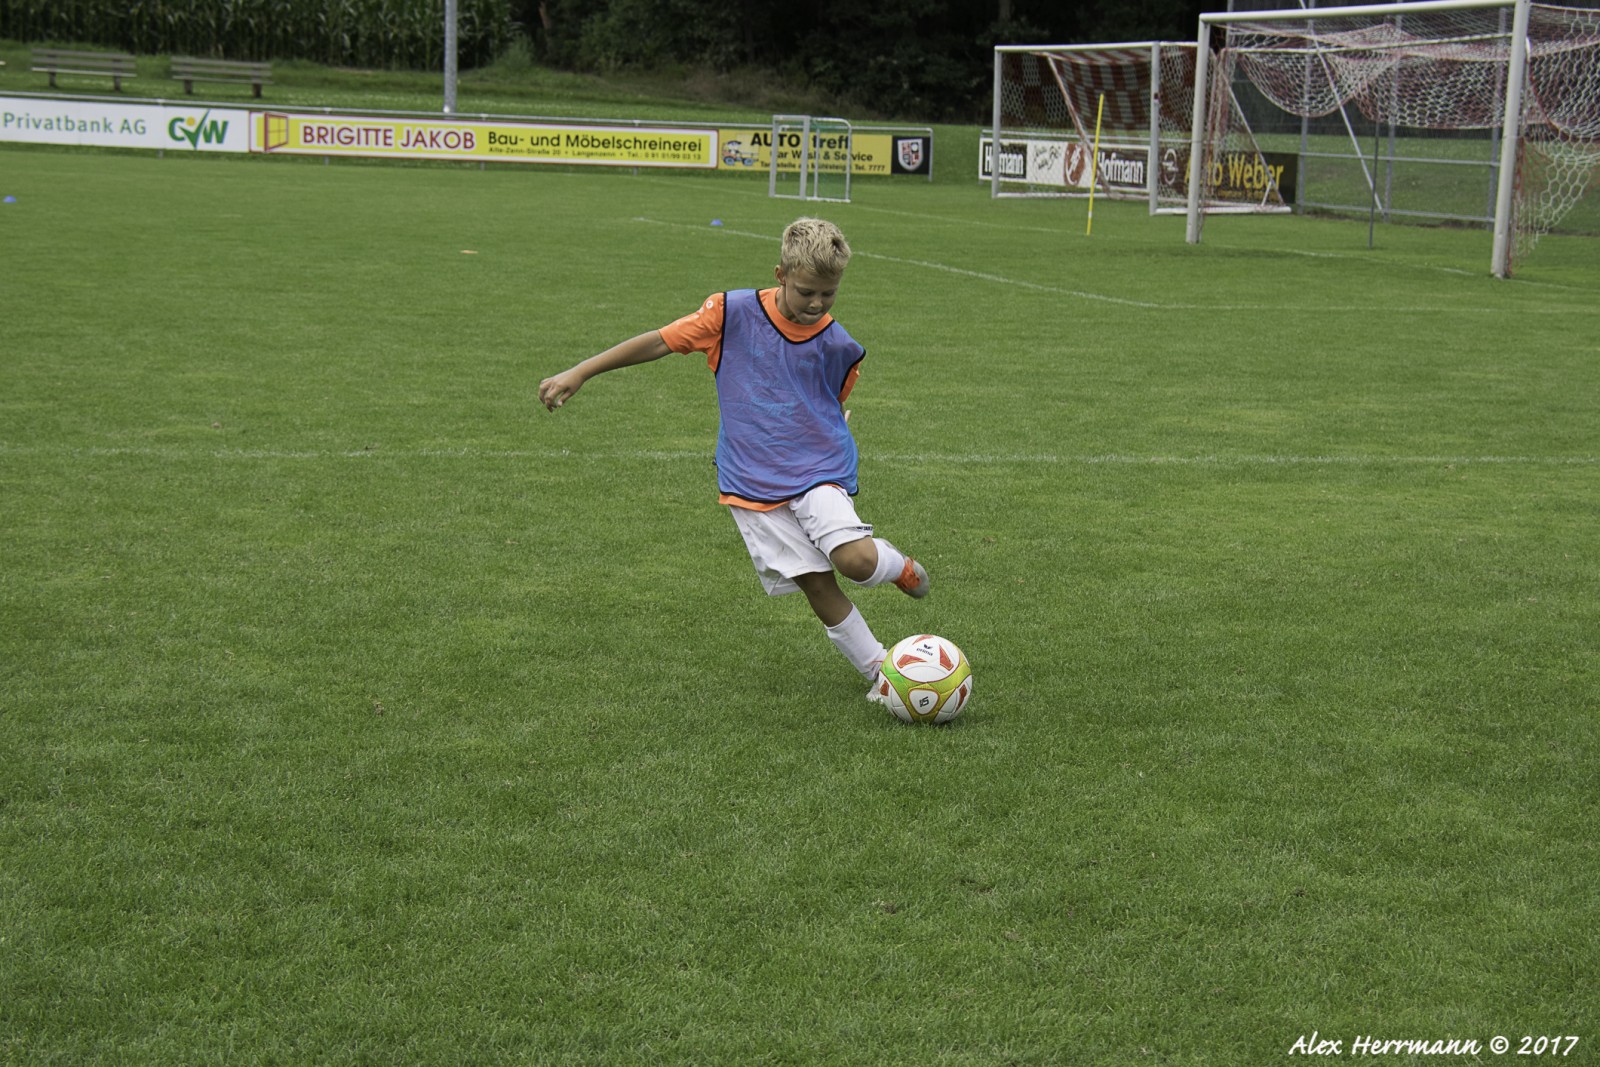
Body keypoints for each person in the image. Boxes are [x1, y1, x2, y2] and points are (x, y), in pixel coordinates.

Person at [537, 217, 928, 701]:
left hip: (817, 468)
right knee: (815, 583)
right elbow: (660, 340)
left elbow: (828, 395)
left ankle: (896, 566)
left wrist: (830, 423)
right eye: (806, 291)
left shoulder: (838, 343)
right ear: (780, 274)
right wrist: (581, 371)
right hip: (750, 480)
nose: (816, 304)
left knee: (855, 561)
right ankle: (882, 674)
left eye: (829, 294)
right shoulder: (730, 313)